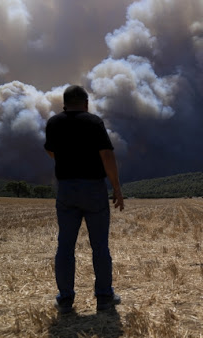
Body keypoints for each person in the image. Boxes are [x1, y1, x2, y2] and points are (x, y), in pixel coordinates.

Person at [44, 85, 124, 313]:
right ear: (86, 103)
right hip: (93, 189)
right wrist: (116, 188)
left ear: (64, 103)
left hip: (67, 189)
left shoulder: (54, 123)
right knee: (99, 246)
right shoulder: (94, 122)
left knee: (65, 246)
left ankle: (66, 300)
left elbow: (51, 151)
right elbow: (107, 155)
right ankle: (104, 299)